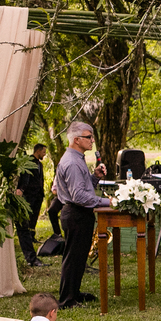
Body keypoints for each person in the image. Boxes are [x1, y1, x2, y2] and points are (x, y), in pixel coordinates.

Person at [54, 122, 110, 309]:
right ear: (76, 140)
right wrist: (108, 202)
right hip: (75, 213)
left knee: (78, 258)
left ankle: (74, 293)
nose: (92, 140)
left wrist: (95, 177)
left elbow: (83, 189)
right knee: (73, 258)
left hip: (79, 213)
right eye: (89, 137)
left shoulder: (77, 158)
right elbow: (79, 196)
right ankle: (67, 300)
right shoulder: (72, 162)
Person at [14, 143, 48, 267]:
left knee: (31, 221)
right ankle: (31, 258)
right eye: (43, 152)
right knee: (24, 225)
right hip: (28, 196)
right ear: (38, 151)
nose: (44, 154)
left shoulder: (40, 164)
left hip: (37, 196)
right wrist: (22, 190)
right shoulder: (28, 161)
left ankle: (32, 237)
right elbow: (25, 177)